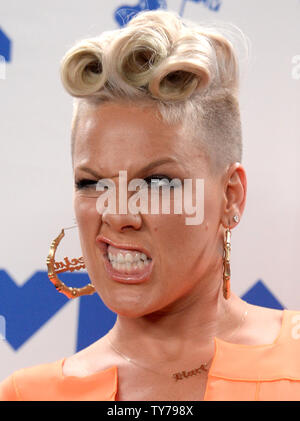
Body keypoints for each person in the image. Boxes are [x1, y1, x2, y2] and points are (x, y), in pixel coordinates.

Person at [1, 9, 300, 401]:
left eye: (156, 182)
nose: (118, 213)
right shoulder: (30, 395)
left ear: (230, 196)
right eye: (92, 183)